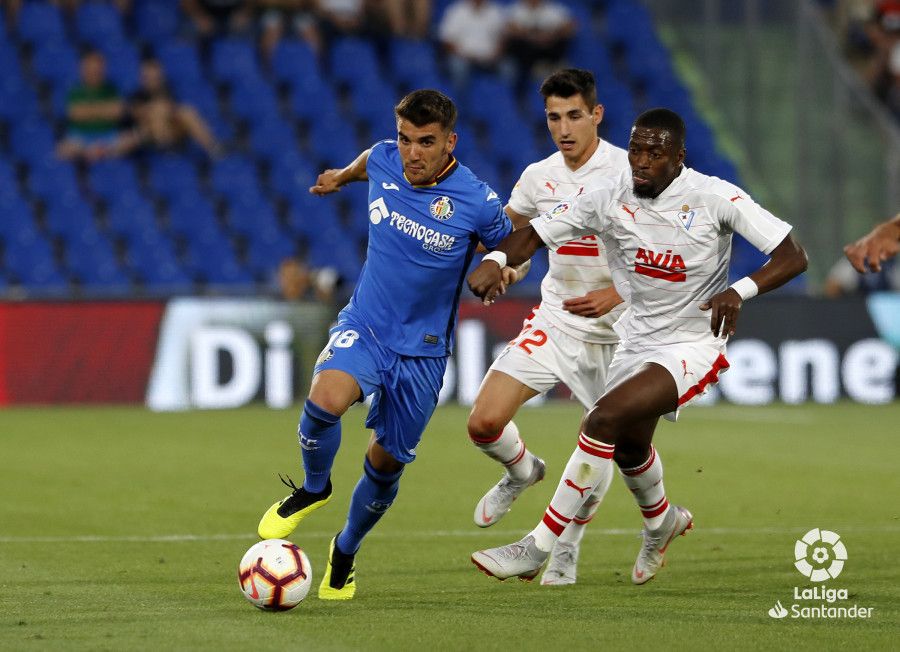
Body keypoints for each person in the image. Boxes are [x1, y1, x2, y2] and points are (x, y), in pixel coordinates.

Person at [467, 108, 808, 584]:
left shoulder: (714, 197)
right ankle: (662, 521)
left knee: (601, 419)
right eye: (636, 150)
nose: (642, 161)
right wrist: (501, 256)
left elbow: (793, 255)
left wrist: (739, 290)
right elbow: (536, 234)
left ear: (679, 157)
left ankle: (537, 545)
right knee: (629, 449)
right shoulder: (607, 197)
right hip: (635, 339)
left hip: (691, 343)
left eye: (655, 152)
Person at [256, 90, 513, 600]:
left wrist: (502, 265)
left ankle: (345, 550)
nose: (412, 152)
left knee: (386, 463)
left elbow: (511, 244)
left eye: (425, 142)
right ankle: (313, 487)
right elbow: (363, 164)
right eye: (404, 138)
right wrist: (337, 178)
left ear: (449, 142)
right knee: (323, 402)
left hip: (423, 351)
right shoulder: (383, 158)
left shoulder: (476, 200)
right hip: (367, 324)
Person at [466, 68, 629, 586]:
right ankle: (521, 471)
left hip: (622, 334)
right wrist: (509, 269)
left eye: (574, 116)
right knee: (483, 422)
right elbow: (520, 244)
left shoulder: (628, 173)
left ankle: (565, 546)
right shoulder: (538, 177)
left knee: (600, 439)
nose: (564, 128)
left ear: (596, 115)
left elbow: (661, 255)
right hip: (557, 319)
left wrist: (620, 293)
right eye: (554, 117)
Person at [129, 58, 223, 158]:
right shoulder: (136, 95)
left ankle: (213, 147)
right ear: (142, 78)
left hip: (172, 130)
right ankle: (166, 148)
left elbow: (172, 110)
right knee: (158, 110)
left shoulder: (167, 90)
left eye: (155, 76)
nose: (152, 80)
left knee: (187, 112)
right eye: (147, 77)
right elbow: (137, 116)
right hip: (149, 135)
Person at [57, 49, 138, 162]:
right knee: (63, 150)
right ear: (83, 70)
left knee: (132, 139)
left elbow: (117, 112)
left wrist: (89, 110)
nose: (95, 72)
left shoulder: (112, 89)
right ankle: (90, 153)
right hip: (81, 137)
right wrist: (104, 109)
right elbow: (76, 114)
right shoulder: (75, 91)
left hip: (109, 135)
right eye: (91, 69)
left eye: (98, 68)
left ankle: (102, 152)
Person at [438, 0, 510, 89]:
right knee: (458, 67)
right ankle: (460, 101)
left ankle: (506, 101)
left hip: (490, 58)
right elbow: (447, 41)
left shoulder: (495, 11)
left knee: (509, 68)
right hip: (463, 57)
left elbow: (503, 38)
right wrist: (464, 55)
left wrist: (496, 54)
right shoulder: (456, 11)